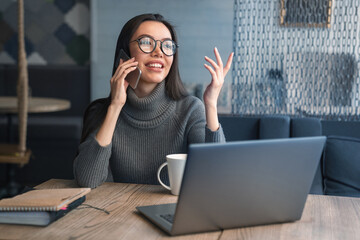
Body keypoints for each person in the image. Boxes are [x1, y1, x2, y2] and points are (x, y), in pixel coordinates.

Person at [74, 13, 233, 188]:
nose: (159, 52)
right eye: (146, 42)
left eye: (167, 45)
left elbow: (217, 176)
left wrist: (210, 104)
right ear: (125, 53)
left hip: (172, 212)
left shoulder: (190, 109)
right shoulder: (100, 112)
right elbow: (87, 180)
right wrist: (115, 106)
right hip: (116, 212)